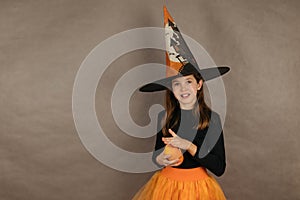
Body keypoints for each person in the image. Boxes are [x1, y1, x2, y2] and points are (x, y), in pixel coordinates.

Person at [132, 6, 229, 200]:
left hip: (198, 188)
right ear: (171, 90)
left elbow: (219, 167)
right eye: (177, 84)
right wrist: (162, 158)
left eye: (189, 82)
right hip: (166, 186)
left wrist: (188, 145)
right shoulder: (165, 117)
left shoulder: (211, 119)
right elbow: (156, 157)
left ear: (199, 84)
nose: (183, 89)